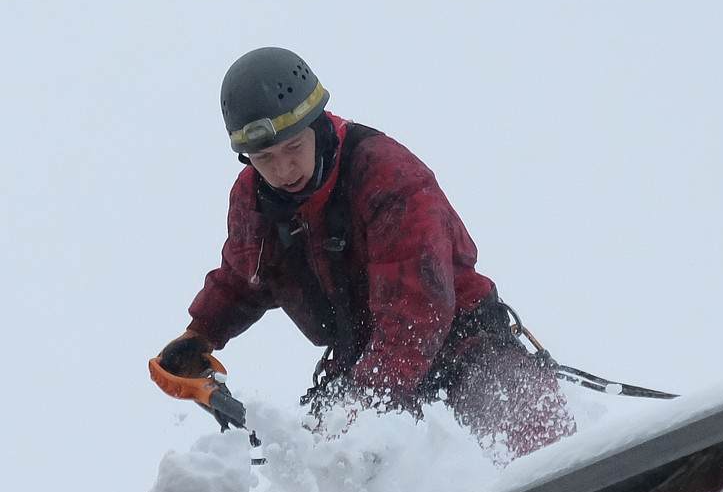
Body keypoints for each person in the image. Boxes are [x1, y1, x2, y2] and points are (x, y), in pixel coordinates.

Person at [153, 47, 574, 457]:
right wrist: (200, 334)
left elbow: (418, 309)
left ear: (317, 126)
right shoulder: (254, 201)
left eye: (293, 148)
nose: (283, 170)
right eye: (265, 157)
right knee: (311, 485)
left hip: (462, 343)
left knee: (531, 435)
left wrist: (362, 401)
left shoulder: (387, 175)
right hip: (361, 363)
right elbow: (244, 278)